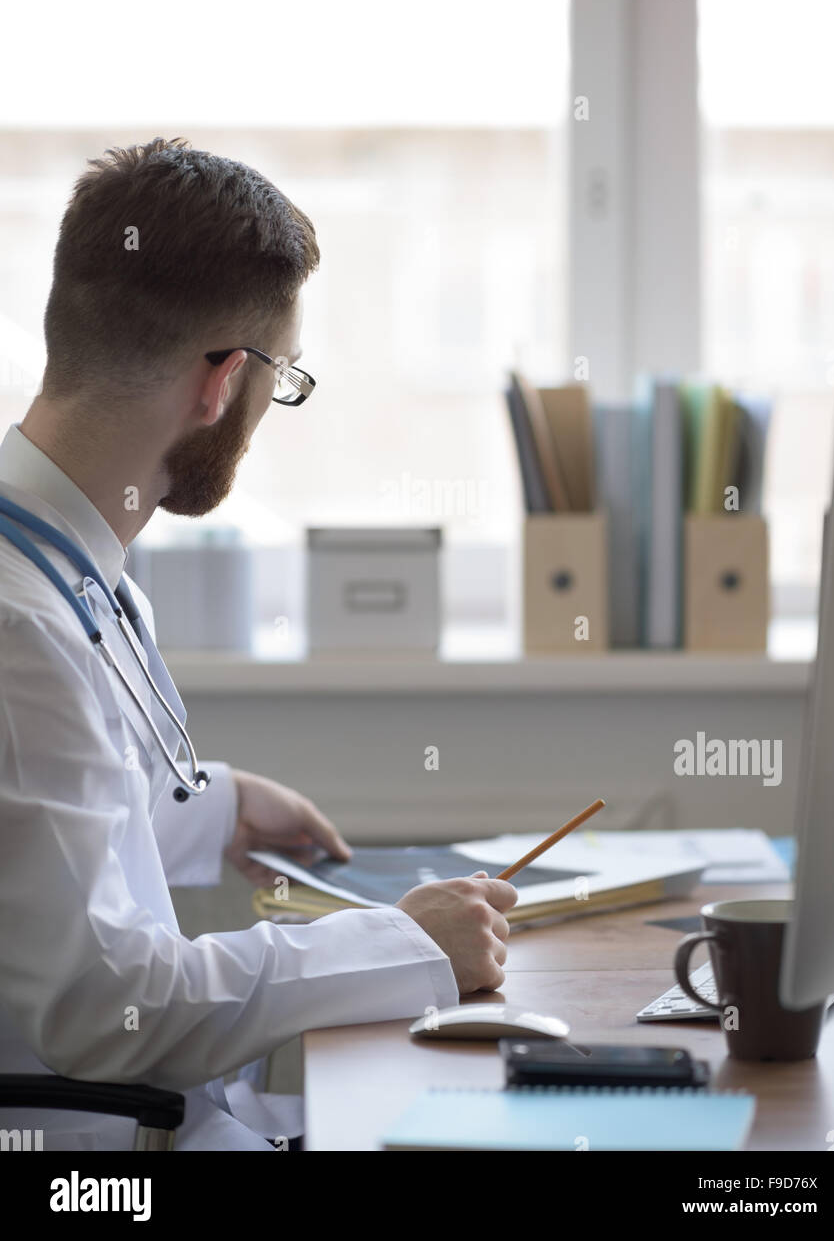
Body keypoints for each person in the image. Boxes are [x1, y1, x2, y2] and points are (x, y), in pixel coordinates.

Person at [0, 138, 517, 1150]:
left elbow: (47, 828)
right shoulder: (20, 627)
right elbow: (110, 1005)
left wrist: (217, 811)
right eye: (279, 382)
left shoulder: (63, 562)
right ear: (220, 381)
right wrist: (402, 944)